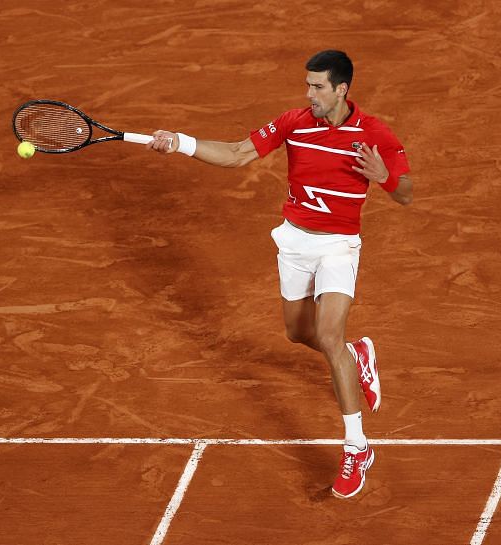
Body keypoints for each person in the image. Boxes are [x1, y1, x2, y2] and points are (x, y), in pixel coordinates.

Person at [145, 50, 413, 498]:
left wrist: (385, 176)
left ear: (342, 89)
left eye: (318, 87)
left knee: (328, 337)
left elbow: (405, 194)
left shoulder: (374, 134)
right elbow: (235, 154)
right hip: (294, 242)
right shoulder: (294, 121)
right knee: (297, 333)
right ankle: (357, 355)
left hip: (337, 246)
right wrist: (179, 142)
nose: (309, 95)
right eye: (307, 85)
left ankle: (357, 447)